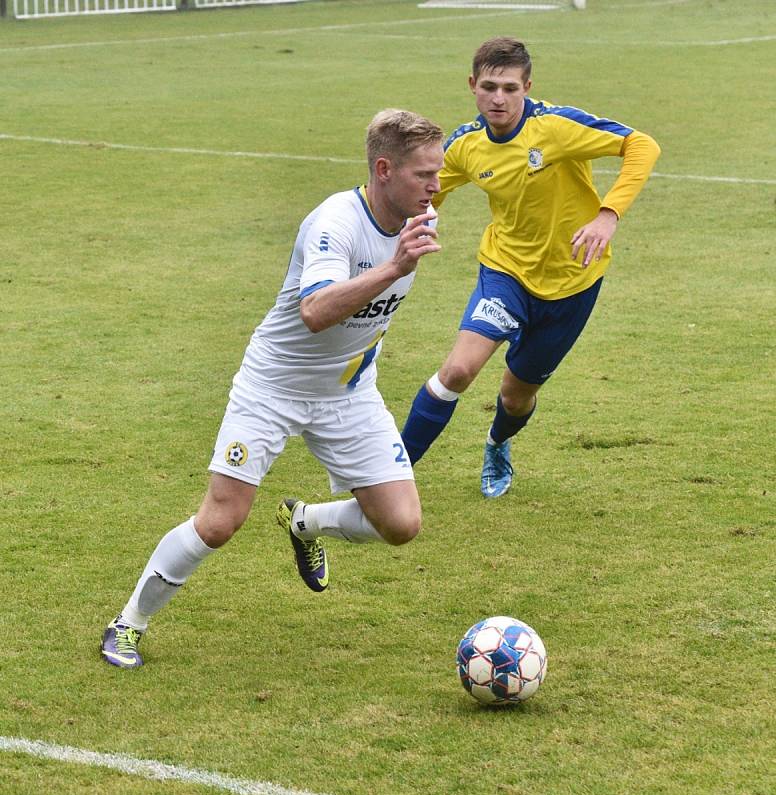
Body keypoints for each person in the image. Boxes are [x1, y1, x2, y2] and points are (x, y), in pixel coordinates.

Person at [101, 109, 445, 668]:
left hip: (348, 391)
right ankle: (127, 624)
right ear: (383, 170)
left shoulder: (420, 214)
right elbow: (314, 312)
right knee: (220, 521)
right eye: (423, 175)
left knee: (401, 524)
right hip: (273, 386)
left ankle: (304, 520)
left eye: (439, 174)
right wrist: (392, 267)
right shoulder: (335, 223)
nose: (435, 188)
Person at [401, 37, 660, 498]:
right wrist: (413, 221)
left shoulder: (557, 127)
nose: (498, 98)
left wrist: (608, 214)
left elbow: (642, 145)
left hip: (573, 281)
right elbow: (428, 190)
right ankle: (386, 476)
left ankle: (497, 442)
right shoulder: (465, 145)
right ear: (472, 86)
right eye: (488, 87)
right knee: (458, 371)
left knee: (515, 396)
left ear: (527, 88)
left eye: (509, 88)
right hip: (506, 274)